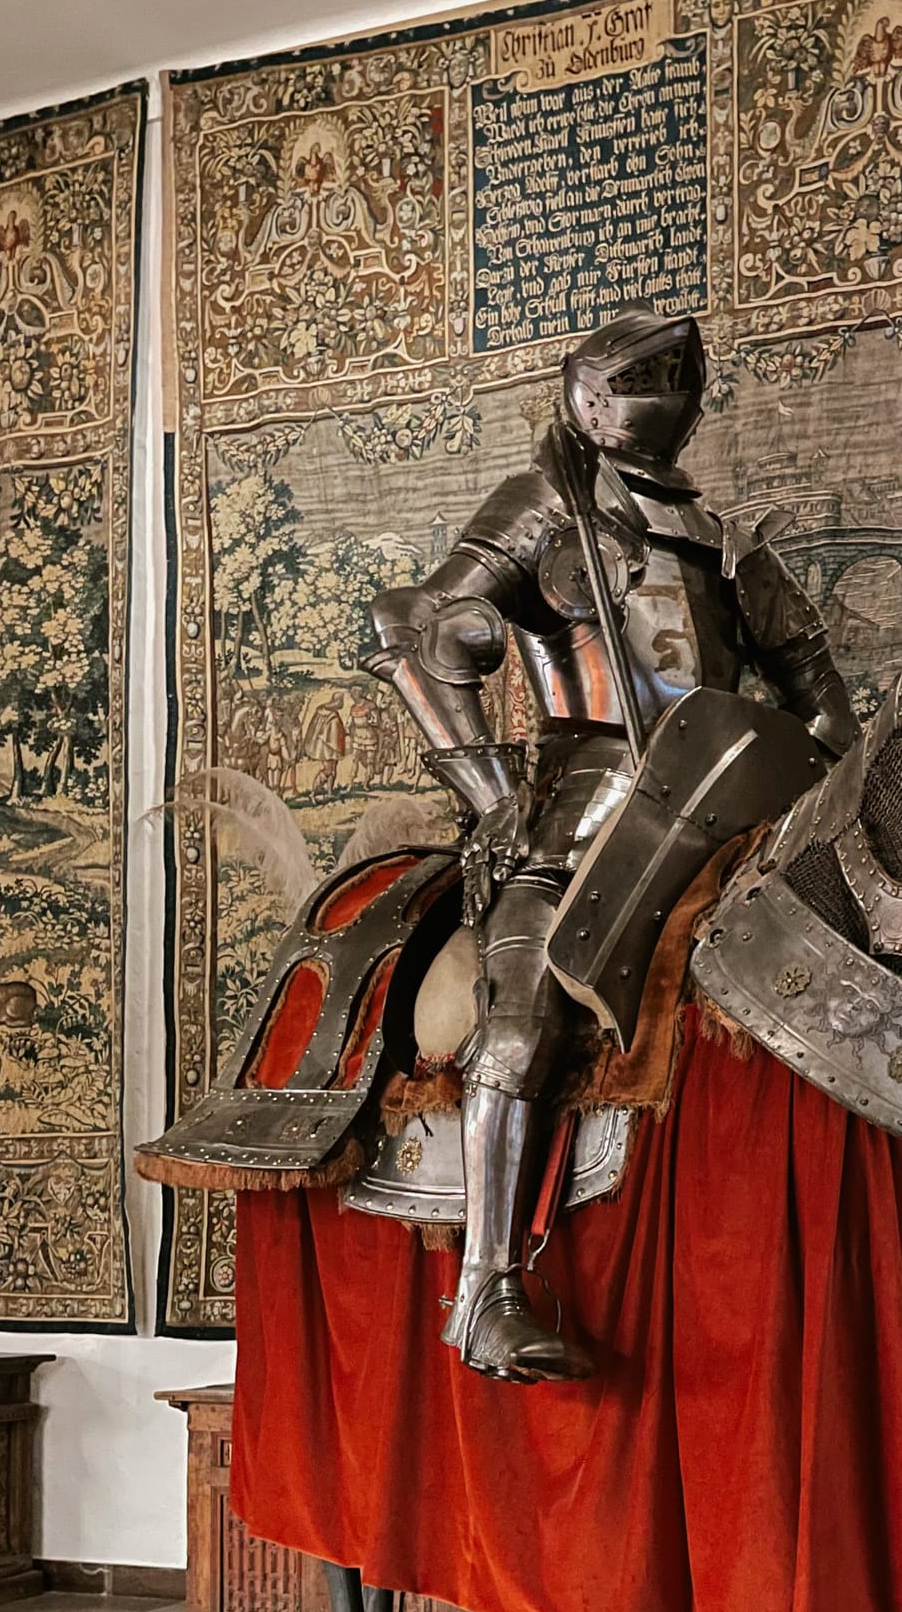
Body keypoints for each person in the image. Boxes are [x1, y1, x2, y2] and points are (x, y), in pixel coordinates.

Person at [366, 305, 857, 1380]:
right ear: (592, 397)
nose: (666, 395)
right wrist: (493, 793)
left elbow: (826, 714)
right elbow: (413, 626)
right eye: (644, 378)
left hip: (733, 807)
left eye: (679, 378)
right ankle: (489, 1289)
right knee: (526, 1013)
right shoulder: (545, 506)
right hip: (577, 804)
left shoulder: (728, 541)